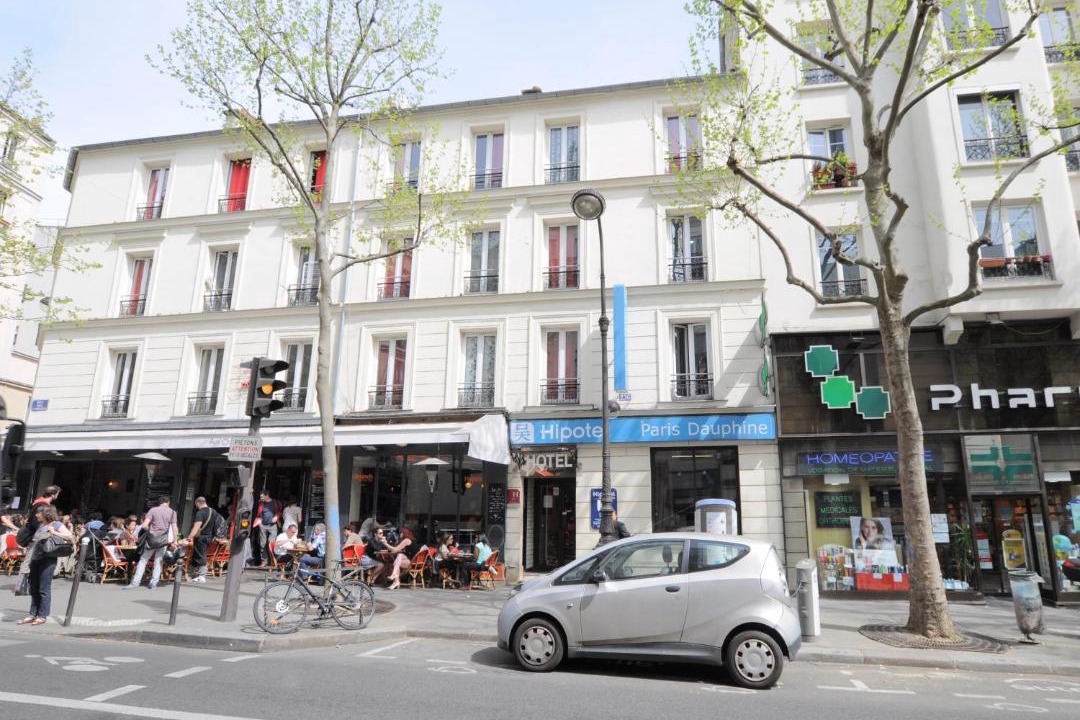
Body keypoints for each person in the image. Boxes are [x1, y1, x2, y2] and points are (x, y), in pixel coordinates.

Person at [17, 505, 73, 626]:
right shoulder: (40, 525)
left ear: (46, 514)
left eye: (39, 513)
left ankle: (42, 615)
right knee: (34, 588)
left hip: (48, 560)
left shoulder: (56, 524)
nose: (36, 515)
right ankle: (33, 614)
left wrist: (54, 532)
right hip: (35, 559)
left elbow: (69, 536)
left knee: (44, 589)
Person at [124, 496, 178, 590]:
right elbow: (174, 527)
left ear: (159, 502)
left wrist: (151, 531)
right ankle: (153, 583)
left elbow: (144, 525)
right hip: (163, 540)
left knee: (143, 560)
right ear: (168, 502)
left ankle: (135, 582)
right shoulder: (173, 512)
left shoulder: (153, 510)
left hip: (151, 539)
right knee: (158, 561)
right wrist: (175, 540)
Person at [179, 496, 217, 583]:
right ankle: (191, 574)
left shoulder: (200, 513)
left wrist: (189, 538)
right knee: (197, 554)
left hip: (201, 537)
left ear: (198, 503)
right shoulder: (213, 511)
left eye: (195, 504)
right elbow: (216, 525)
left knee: (200, 555)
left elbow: (196, 527)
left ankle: (201, 576)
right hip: (209, 536)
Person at [252, 491, 281, 568]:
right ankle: (264, 561)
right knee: (262, 544)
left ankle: (272, 560)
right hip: (263, 525)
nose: (261, 498)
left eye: (262, 497)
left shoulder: (275, 503)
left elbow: (279, 512)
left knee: (271, 543)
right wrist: (259, 522)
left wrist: (277, 517)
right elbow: (259, 513)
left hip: (273, 526)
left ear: (267, 496)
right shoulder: (261, 503)